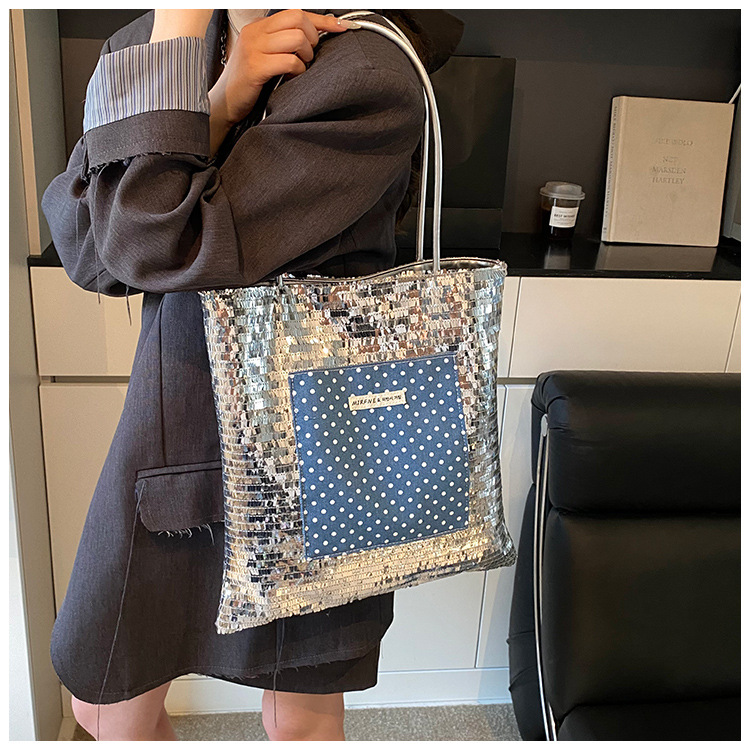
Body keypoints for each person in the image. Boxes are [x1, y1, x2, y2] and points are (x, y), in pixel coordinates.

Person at [41, 8, 463, 741]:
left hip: (316, 463)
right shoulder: (142, 47)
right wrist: (213, 102)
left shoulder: (365, 70)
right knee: (104, 706)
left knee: (299, 718)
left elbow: (161, 243)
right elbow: (88, 251)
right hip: (171, 440)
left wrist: (180, 49)